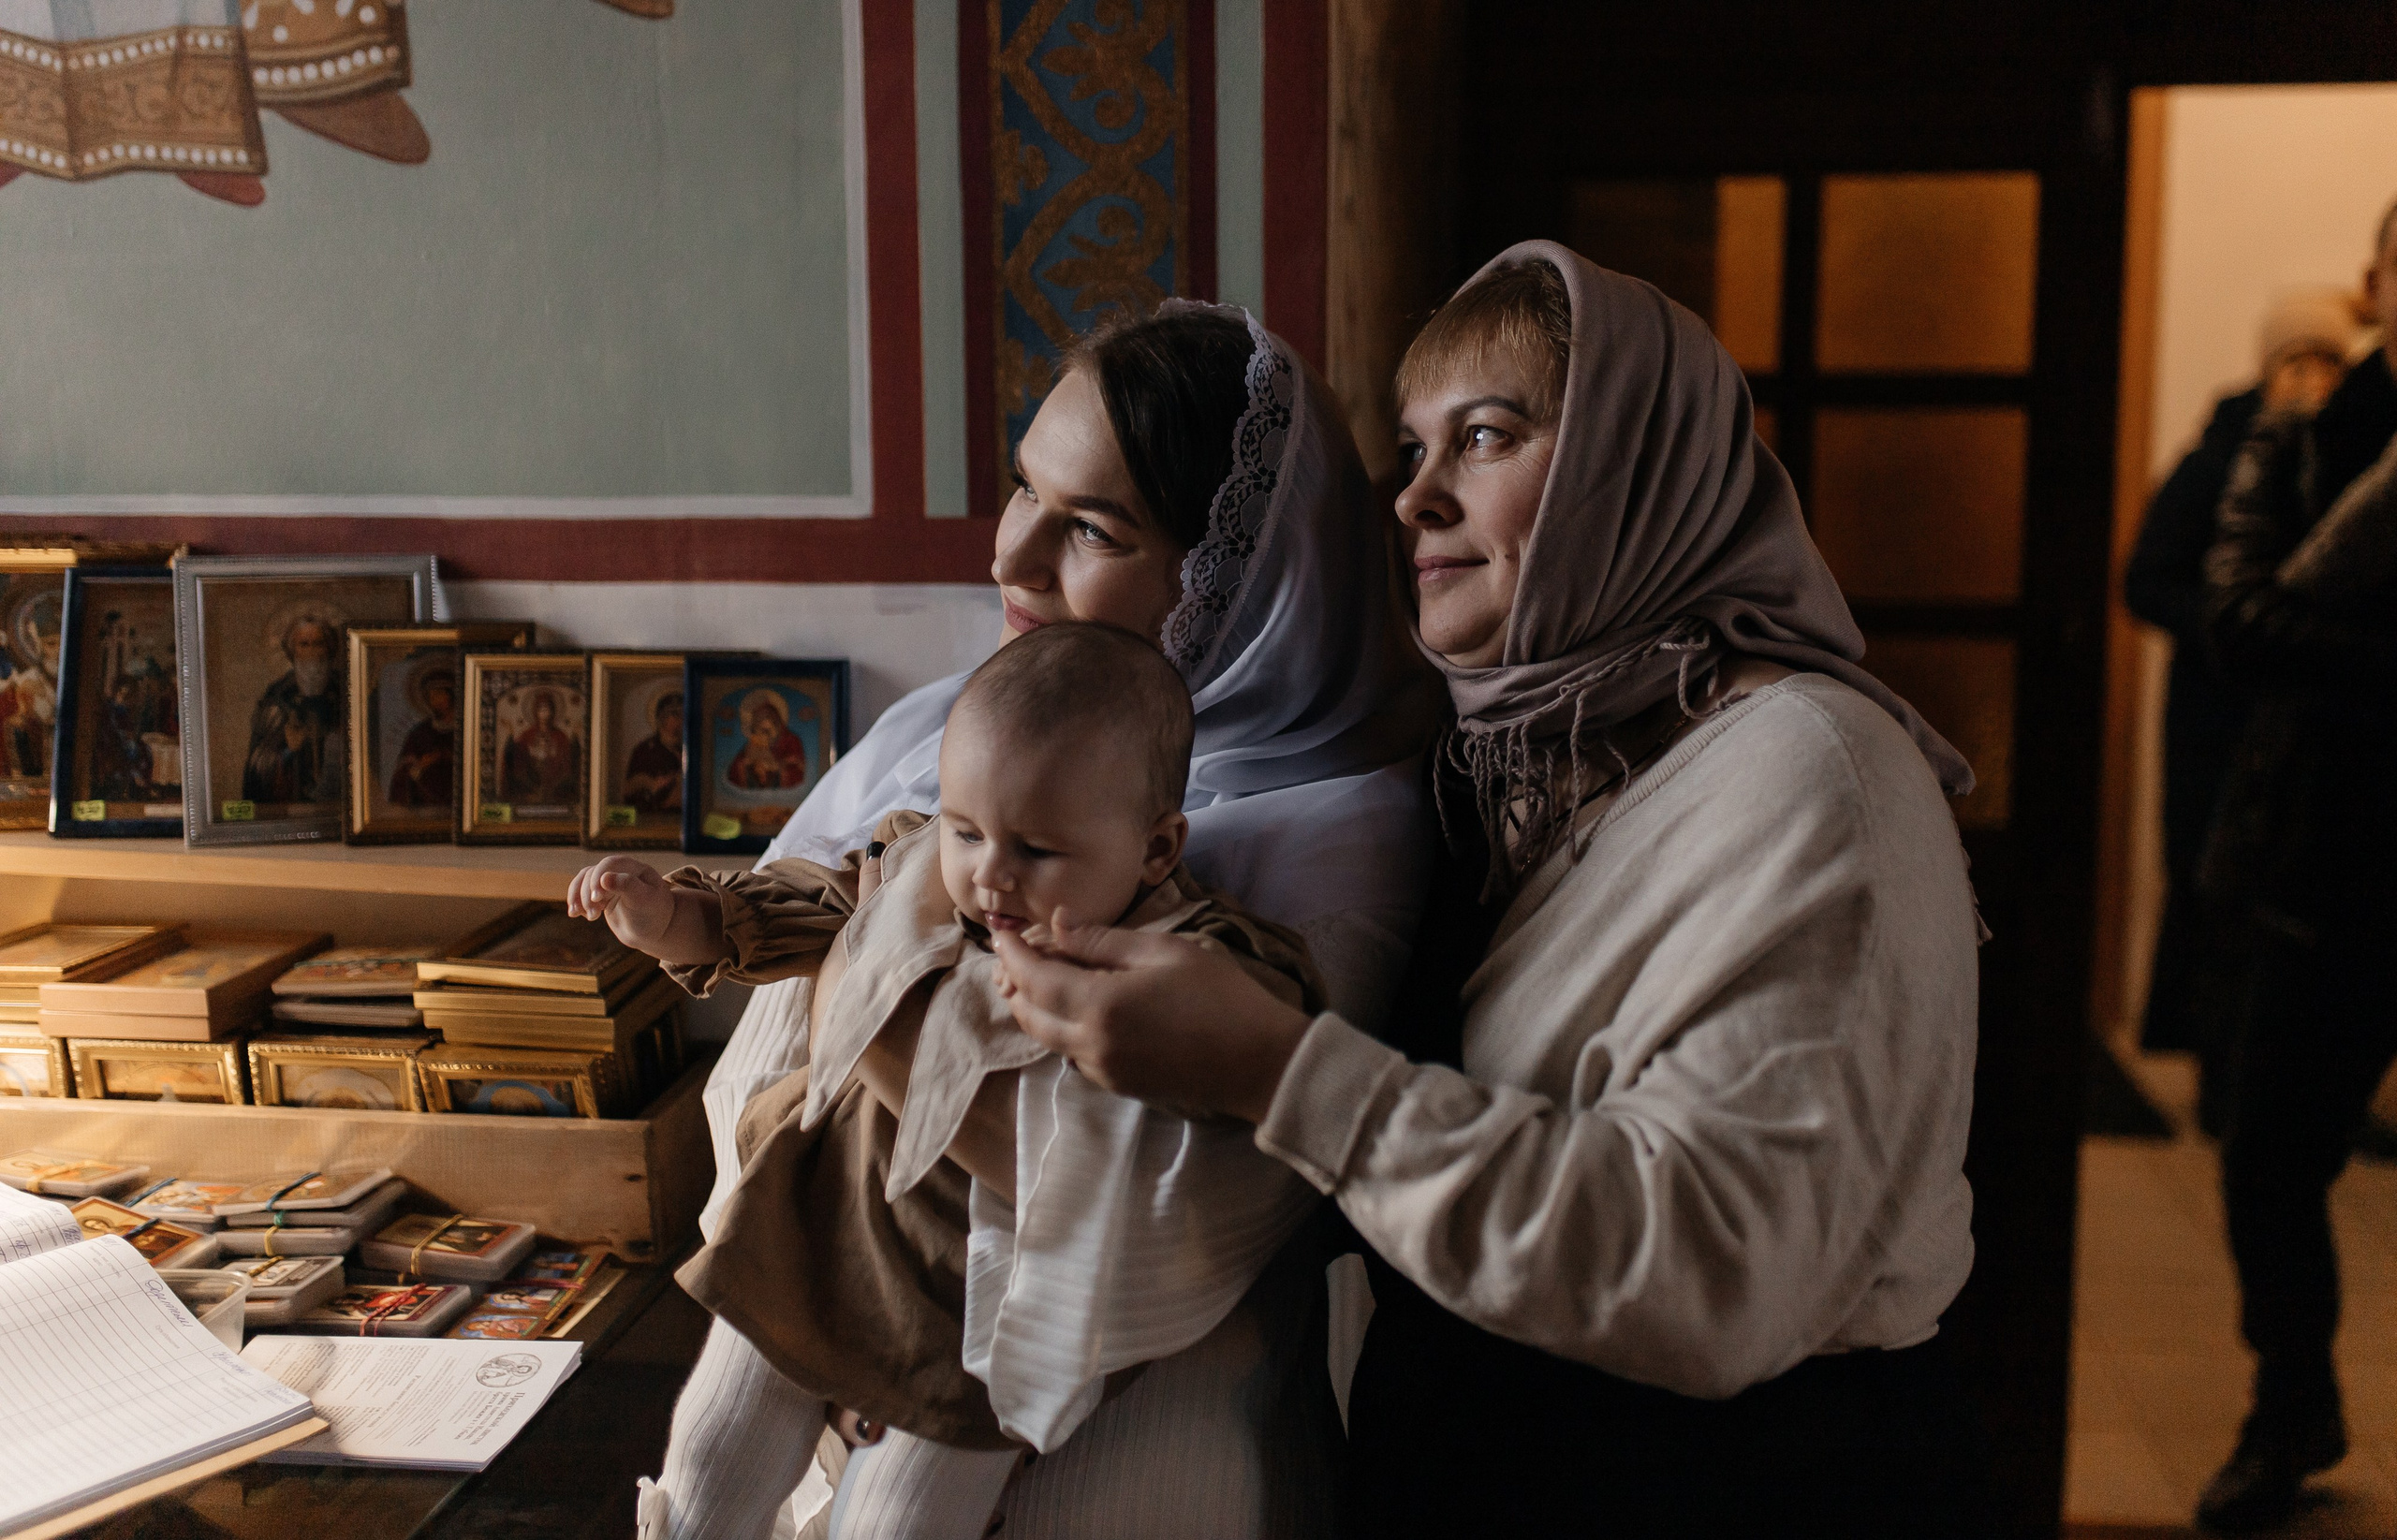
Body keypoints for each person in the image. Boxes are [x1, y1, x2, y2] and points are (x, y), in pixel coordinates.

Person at [991, 245, 1991, 1537]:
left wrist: (1282, 1075)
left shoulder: (1809, 772)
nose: (1415, 500)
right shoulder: (1518, 766)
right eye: (1413, 451)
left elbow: (1714, 1274)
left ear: (1635, 464)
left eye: (1487, 436)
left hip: (1734, 1485)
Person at [656, 303, 1439, 1540]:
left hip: (1123, 1483)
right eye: (1025, 489)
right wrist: (828, 1325)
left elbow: (1160, 1213)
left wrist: (879, 987)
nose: (1010, 555)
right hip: (820, 1395)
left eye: (1089, 527)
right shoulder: (938, 733)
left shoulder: (1340, 840)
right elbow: (747, 1092)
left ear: (1234, 581)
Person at [578, 625, 1328, 1536]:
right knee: (705, 1468)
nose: (990, 874)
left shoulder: (1186, 954)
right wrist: (669, 917)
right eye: (968, 829)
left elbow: (1259, 1051)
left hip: (975, 1306)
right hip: (815, 1220)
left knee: (897, 1524)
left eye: (1039, 850)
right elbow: (785, 912)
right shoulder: (916, 866)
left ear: (1157, 850)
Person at [2192, 197, 2397, 1535]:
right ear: (2379, 282)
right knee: (2270, 1156)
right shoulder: (2310, 428)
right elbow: (2234, 612)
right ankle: (2290, 1404)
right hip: (2329, 854)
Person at [2125, 287, 2358, 1130]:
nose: (2314, 378)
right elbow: (2146, 578)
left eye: (2330, 361)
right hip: (2216, 719)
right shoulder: (2219, 456)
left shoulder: (2348, 459)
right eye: (2299, 360)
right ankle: (2219, 1081)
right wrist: (2236, 625)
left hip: (2305, 722)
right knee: (2213, 895)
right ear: (2268, 368)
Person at [243, 617, 342, 805]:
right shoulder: (277, 698)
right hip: (290, 803)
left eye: (319, 644)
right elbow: (257, 765)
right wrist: (288, 750)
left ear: (329, 649)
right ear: (292, 651)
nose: (312, 652)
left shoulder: (346, 691)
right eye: (304, 645)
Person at [388, 665, 458, 808]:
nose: (435, 701)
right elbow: (403, 772)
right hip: (425, 803)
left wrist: (446, 755)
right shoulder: (420, 733)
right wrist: (421, 764)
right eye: (431, 697)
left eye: (439, 694)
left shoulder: (466, 727)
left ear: (451, 695)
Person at [499, 688, 579, 806]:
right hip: (530, 786)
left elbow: (569, 762)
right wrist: (510, 736)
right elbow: (516, 759)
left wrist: (574, 740)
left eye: (548, 709)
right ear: (535, 711)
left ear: (553, 711)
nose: (545, 713)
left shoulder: (561, 736)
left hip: (556, 788)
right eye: (541, 709)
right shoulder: (527, 735)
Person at [727, 692, 811, 790]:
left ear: (776, 720)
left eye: (768, 718)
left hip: (783, 793)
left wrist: (777, 767)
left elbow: (798, 768)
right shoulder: (754, 742)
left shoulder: (791, 740)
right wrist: (748, 764)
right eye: (759, 719)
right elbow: (736, 768)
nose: (764, 724)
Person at [623, 690, 684, 813]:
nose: (680, 721)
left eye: (683, 716)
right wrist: (654, 785)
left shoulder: (686, 747)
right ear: (662, 718)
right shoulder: (645, 750)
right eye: (675, 715)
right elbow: (630, 792)